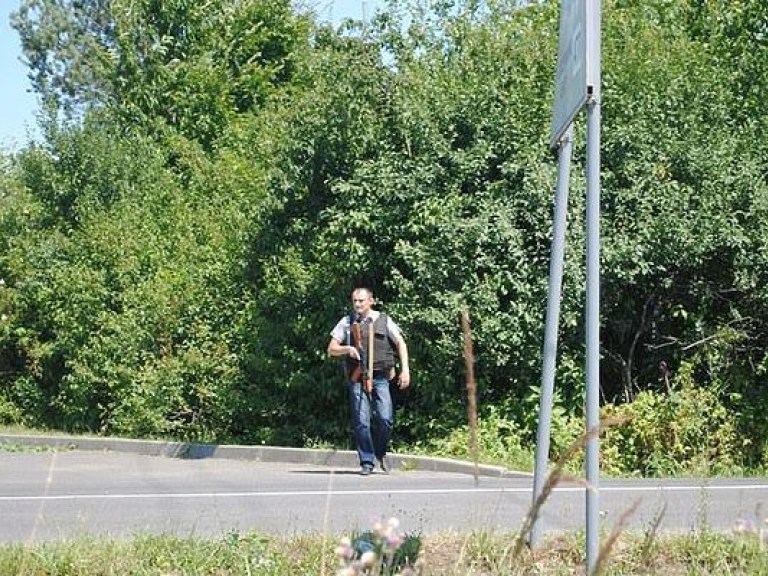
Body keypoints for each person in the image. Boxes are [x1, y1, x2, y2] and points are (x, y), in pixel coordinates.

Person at [328, 287, 410, 475]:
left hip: (381, 377)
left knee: (385, 419)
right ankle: (366, 461)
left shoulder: (384, 320)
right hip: (357, 378)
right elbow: (331, 348)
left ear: (371, 301)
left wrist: (405, 370)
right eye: (355, 301)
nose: (357, 304)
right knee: (361, 422)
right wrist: (347, 349)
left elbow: (400, 343)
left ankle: (380, 453)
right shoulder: (346, 322)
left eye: (361, 301)